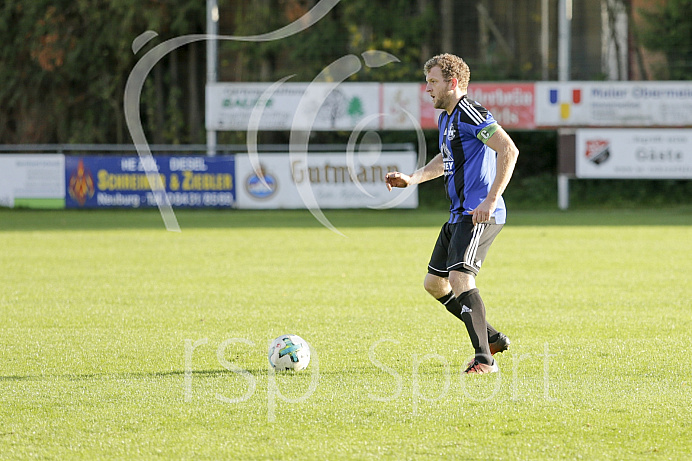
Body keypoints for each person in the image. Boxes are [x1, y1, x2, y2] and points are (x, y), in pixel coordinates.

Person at [385, 53, 519, 374]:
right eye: (427, 81)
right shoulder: (446, 118)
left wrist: (490, 200)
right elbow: (444, 159)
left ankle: (484, 360)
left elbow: (508, 149)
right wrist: (413, 178)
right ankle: (491, 338)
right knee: (435, 284)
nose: (427, 88)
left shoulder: (470, 113)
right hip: (459, 215)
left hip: (479, 214)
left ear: (453, 83)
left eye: (433, 81)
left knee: (460, 277)